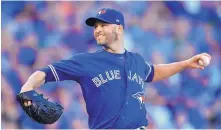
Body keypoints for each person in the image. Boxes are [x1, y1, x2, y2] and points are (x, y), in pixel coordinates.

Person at [19, 8, 211, 129]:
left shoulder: (136, 61)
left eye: (103, 25)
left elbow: (154, 72)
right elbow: (43, 73)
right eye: (95, 27)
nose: (97, 30)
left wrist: (186, 63)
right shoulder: (86, 61)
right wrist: (27, 86)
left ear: (119, 29)